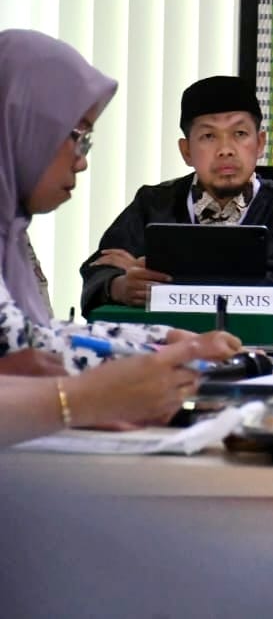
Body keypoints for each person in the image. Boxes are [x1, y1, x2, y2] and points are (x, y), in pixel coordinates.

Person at [0, 29, 238, 442]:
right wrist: (74, 401)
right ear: (23, 126)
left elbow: (41, 340)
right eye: (78, 138)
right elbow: (33, 357)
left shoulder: (12, 235)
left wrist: (167, 341)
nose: (82, 162)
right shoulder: (154, 201)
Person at [79, 75, 273, 312]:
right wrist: (119, 286)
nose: (225, 150)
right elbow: (102, 267)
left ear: (260, 143)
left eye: (240, 133)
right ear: (186, 151)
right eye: (209, 136)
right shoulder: (154, 203)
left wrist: (169, 279)